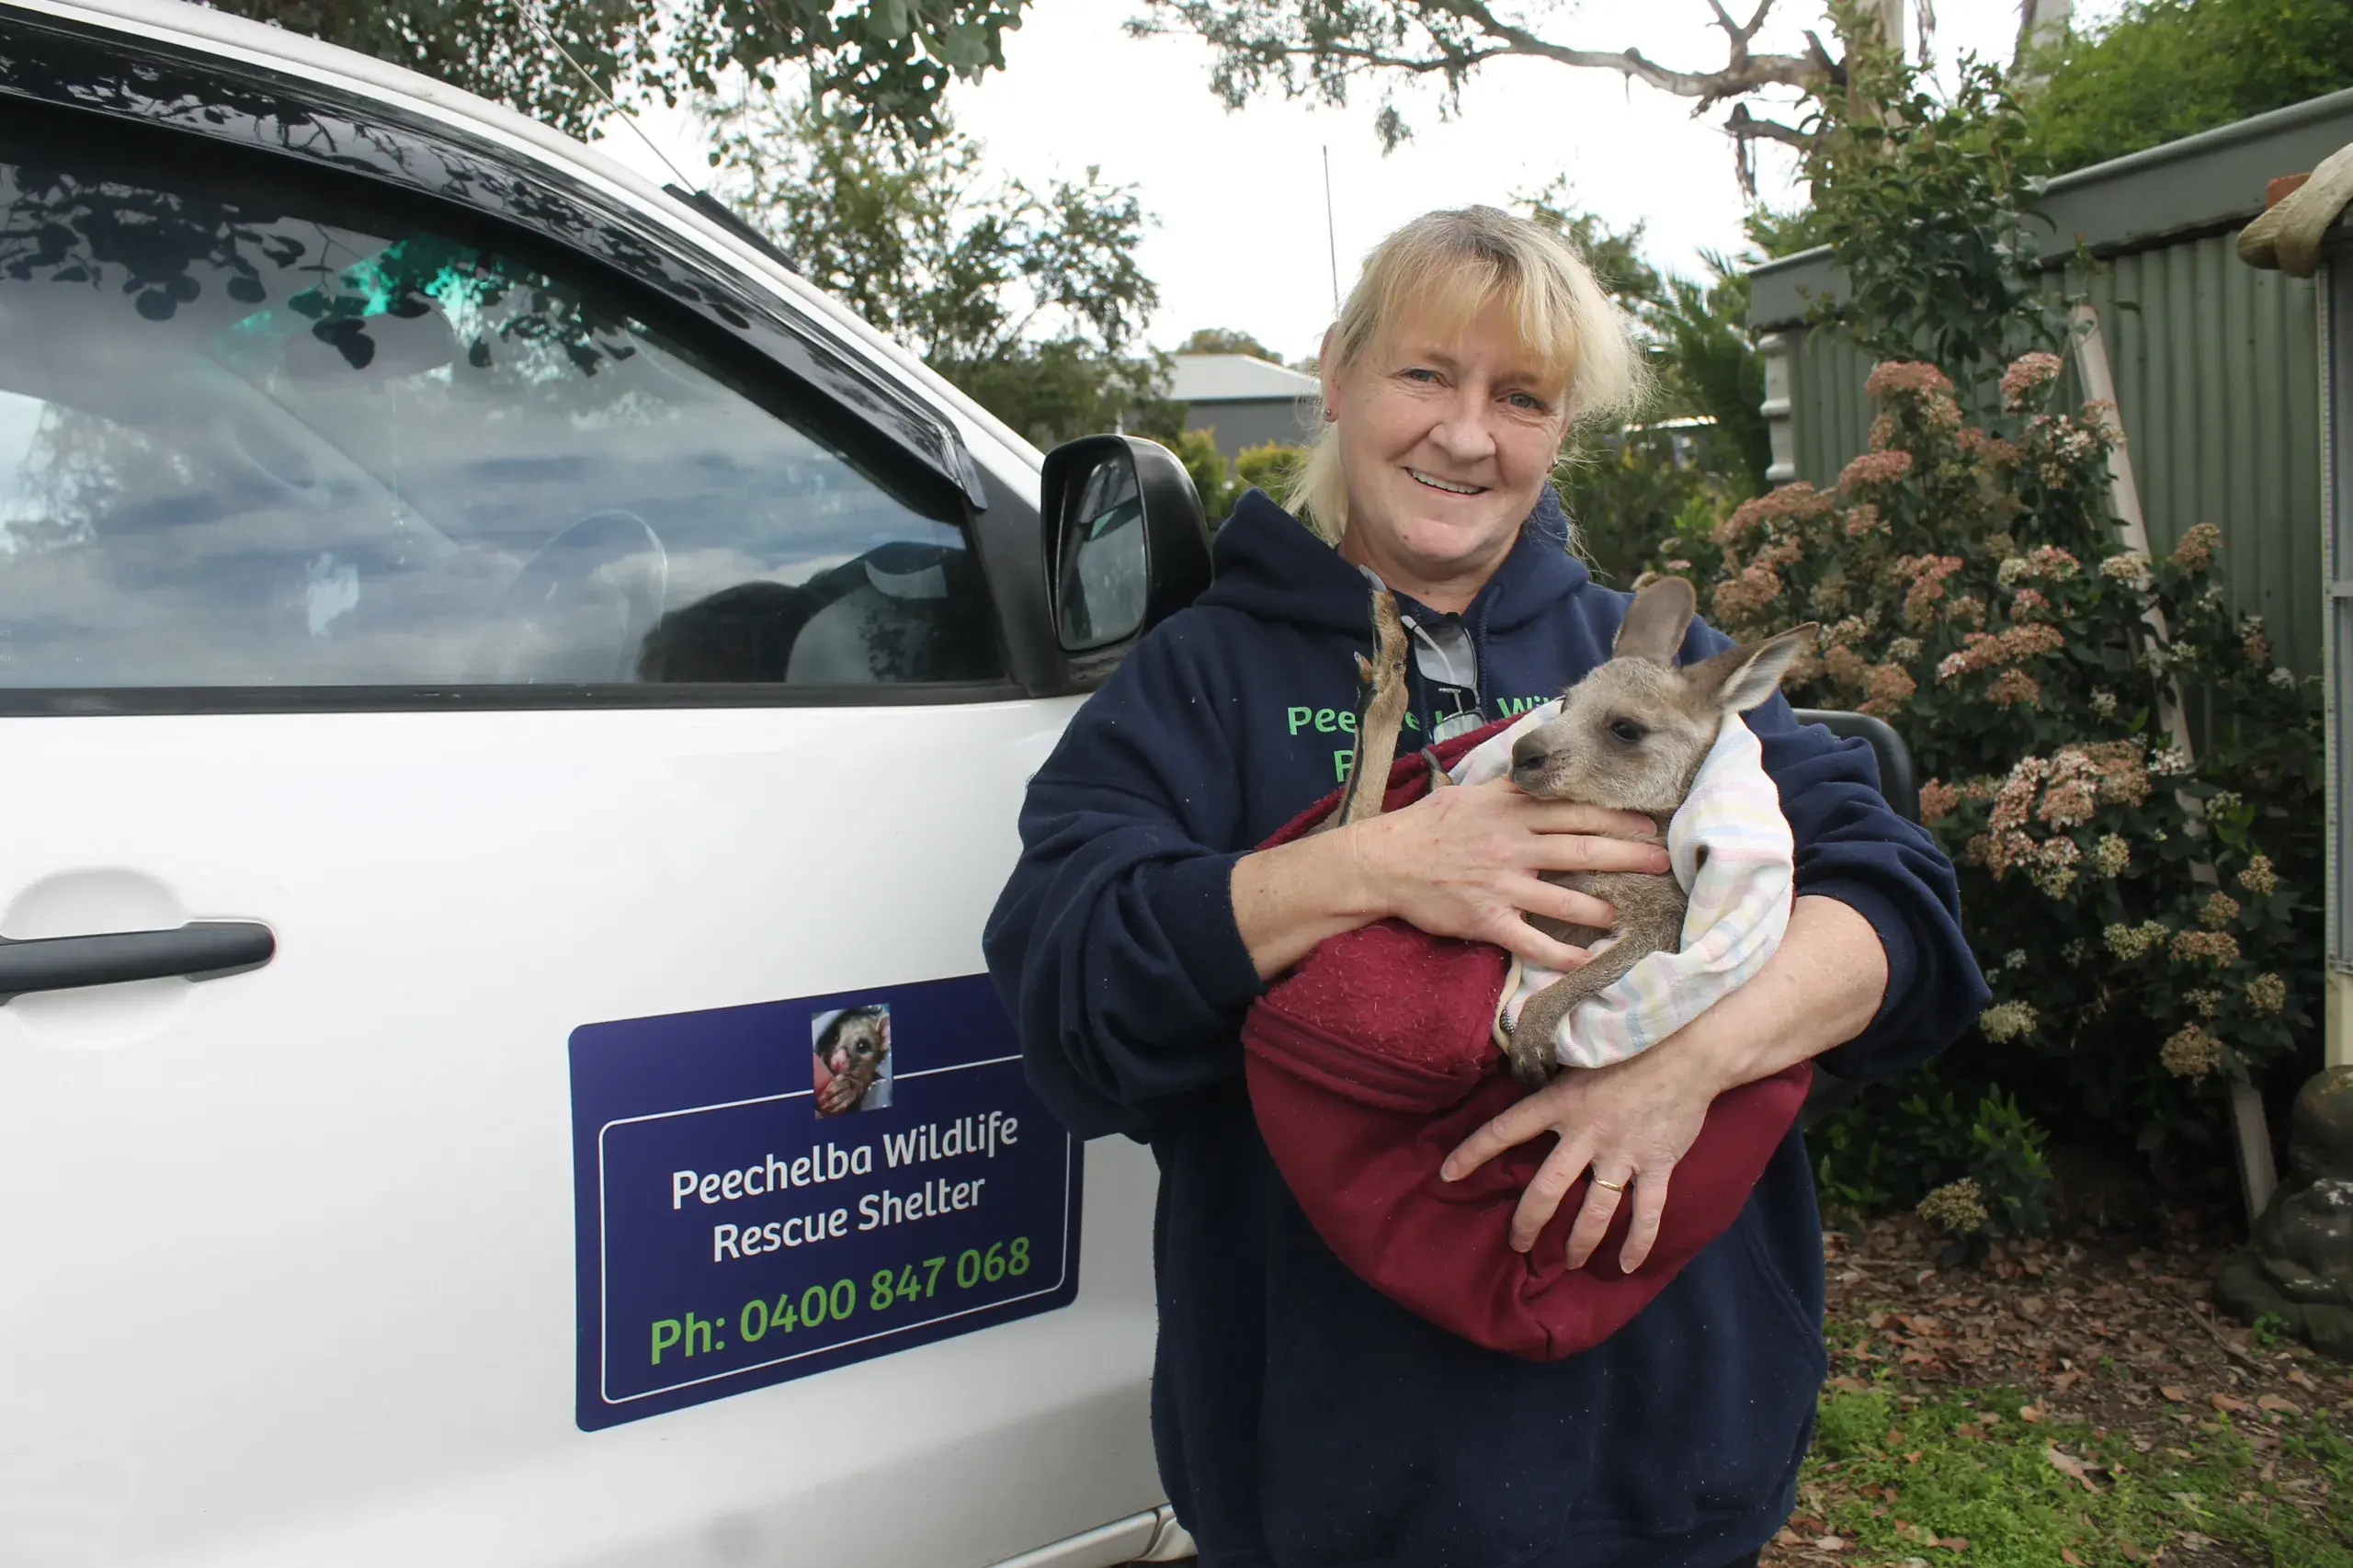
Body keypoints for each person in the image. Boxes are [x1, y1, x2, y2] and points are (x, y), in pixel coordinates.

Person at [983, 206, 1986, 1568]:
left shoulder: (1654, 664)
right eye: (1425, 376)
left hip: (1662, 1465)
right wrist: (1383, 863)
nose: (1468, 434)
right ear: (1335, 373)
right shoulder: (1198, 676)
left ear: (1560, 429)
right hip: (1331, 1474)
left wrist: (1675, 1069)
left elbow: (1899, 910)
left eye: (1521, 396)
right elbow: (1070, 985)